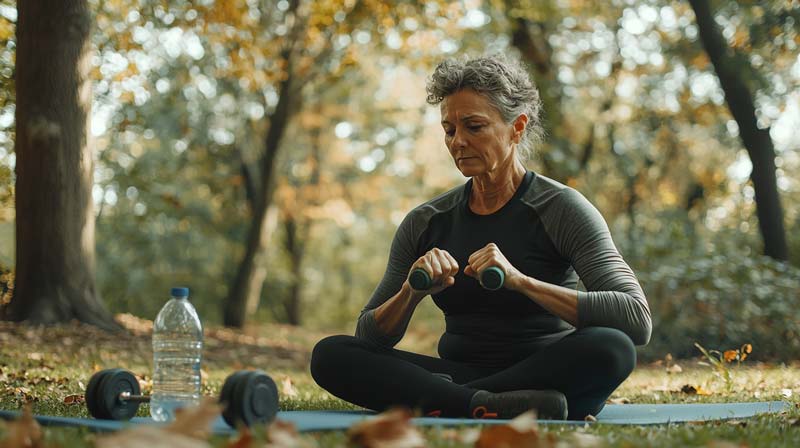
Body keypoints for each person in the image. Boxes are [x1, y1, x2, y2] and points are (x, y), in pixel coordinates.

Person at [310, 54, 652, 421]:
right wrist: (412, 291)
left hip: (548, 371)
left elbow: (635, 317)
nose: (458, 142)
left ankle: (462, 402)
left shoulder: (561, 209)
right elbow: (368, 338)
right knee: (332, 353)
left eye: (474, 127)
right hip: (463, 374)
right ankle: (488, 403)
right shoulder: (426, 221)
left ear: (516, 128)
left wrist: (521, 282)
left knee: (612, 347)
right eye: (449, 129)